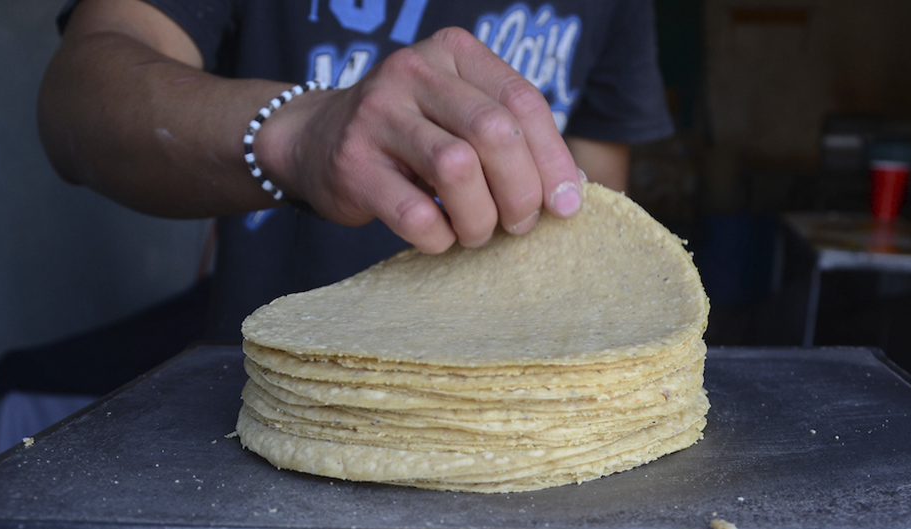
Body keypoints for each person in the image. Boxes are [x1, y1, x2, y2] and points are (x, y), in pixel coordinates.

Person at [37, 0, 675, 340]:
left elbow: (590, 209)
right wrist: (302, 134)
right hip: (285, 419)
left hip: (519, 434)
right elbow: (76, 102)